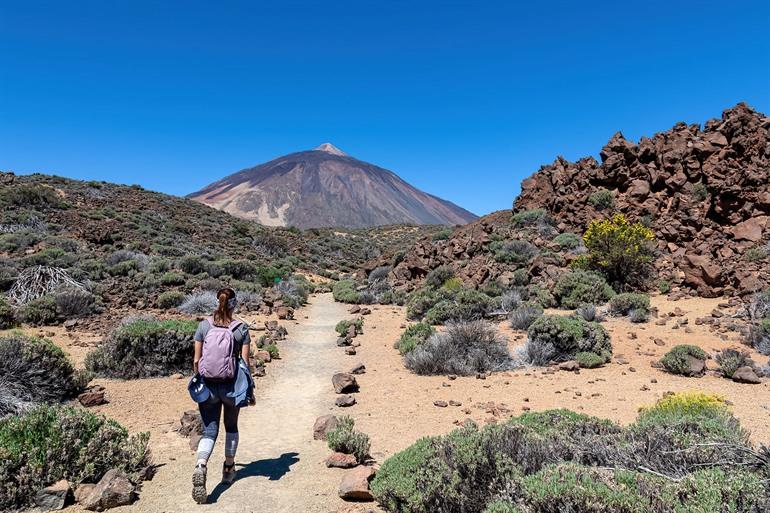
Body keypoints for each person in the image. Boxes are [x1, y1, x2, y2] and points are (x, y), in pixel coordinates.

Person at [190, 287, 255, 504]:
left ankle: (201, 464)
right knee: (231, 426)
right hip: (231, 387)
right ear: (234, 304)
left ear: (217, 301)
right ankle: (228, 468)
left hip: (208, 386)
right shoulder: (241, 329)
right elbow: (245, 364)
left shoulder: (204, 326)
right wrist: (250, 391)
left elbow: (197, 361)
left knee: (209, 430)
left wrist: (198, 381)